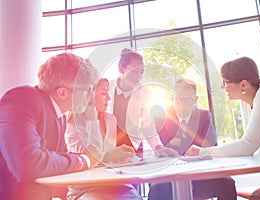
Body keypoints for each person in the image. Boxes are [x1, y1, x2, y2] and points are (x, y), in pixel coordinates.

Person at [185, 57, 260, 199]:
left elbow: (247, 146)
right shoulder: (250, 102)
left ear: (243, 84)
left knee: (258, 197)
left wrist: (200, 152)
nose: (223, 87)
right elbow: (251, 146)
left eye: (225, 82)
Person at [0, 52, 99, 200]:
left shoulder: (59, 116)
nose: (92, 95)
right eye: (87, 89)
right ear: (62, 92)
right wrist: (83, 160)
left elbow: (60, 160)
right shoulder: (23, 98)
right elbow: (27, 163)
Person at [148, 79, 237, 200]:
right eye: (178, 100)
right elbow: (163, 148)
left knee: (227, 182)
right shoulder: (162, 117)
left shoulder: (205, 116)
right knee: (157, 188)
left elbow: (211, 146)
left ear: (195, 99)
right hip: (169, 174)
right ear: (171, 98)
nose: (182, 105)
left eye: (188, 100)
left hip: (199, 173)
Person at [64, 78, 142, 200]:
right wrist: (92, 120)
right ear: (90, 95)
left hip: (116, 184)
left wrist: (121, 154)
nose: (109, 98)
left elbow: (107, 158)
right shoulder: (72, 124)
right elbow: (89, 159)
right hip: (85, 189)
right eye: (104, 93)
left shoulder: (110, 119)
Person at [107, 48, 178, 158]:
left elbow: (147, 124)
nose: (139, 76)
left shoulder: (144, 93)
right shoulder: (106, 88)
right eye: (135, 71)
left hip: (133, 147)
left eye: (142, 72)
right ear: (121, 69)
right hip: (108, 146)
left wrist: (158, 146)